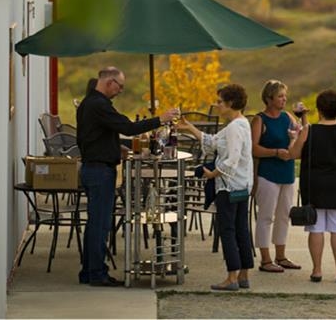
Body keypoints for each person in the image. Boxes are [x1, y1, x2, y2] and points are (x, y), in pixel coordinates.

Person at [76, 67, 178, 287]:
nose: (121, 91)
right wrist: (160, 119)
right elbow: (128, 128)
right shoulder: (99, 105)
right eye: (120, 86)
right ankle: (96, 274)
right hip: (99, 171)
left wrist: (117, 147)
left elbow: (97, 135)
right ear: (109, 82)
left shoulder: (89, 103)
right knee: (100, 225)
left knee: (95, 223)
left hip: (94, 167)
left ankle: (89, 271)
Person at [177, 84, 254, 290]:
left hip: (229, 186)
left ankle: (231, 277)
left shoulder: (234, 128)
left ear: (230, 104)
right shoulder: (241, 124)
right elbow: (213, 142)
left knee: (227, 230)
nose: (216, 105)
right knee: (241, 229)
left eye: (220, 101)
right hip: (242, 186)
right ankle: (244, 274)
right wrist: (190, 128)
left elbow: (232, 159)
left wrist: (213, 173)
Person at [287, 90, 336, 284]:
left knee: (316, 228)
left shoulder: (308, 131)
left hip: (315, 185)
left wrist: (293, 138)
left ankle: (317, 270)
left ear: (319, 110)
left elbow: (294, 154)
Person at [252, 80, 302, 272]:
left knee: (283, 216)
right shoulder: (259, 120)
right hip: (267, 174)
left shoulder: (288, 117)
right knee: (265, 216)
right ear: (269, 98)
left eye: (284, 95)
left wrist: (295, 139)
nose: (284, 99)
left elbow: (300, 135)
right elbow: (253, 148)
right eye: (280, 96)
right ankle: (265, 260)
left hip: (287, 172)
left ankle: (281, 256)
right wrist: (275, 152)